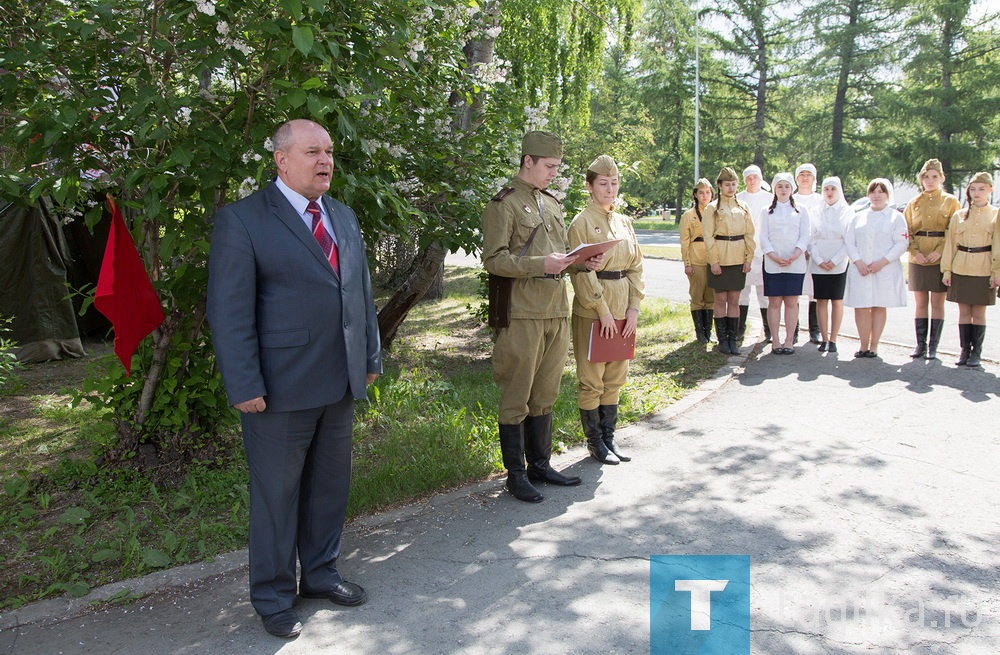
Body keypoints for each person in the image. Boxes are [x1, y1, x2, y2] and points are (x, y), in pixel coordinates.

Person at [207, 119, 382, 639]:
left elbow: (360, 294)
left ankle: (321, 574)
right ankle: (274, 596)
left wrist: (370, 355)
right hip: (279, 388)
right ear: (282, 160)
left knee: (329, 489)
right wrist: (243, 384)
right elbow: (229, 311)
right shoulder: (243, 220)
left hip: (340, 379)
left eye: (329, 151)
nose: (325, 160)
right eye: (313, 151)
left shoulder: (343, 216)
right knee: (277, 498)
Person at [481, 131, 602, 502]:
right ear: (528, 161)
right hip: (522, 313)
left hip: (555, 311)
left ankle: (540, 465)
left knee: (545, 392)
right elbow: (494, 260)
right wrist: (540, 264)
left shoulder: (552, 204)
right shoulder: (503, 204)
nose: (553, 173)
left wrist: (582, 264)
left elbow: (561, 256)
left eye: (557, 167)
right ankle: (515, 475)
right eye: (549, 166)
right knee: (517, 393)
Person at [568, 155, 645, 465]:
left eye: (614, 183)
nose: (610, 189)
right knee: (592, 378)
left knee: (615, 376)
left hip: (623, 309)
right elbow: (580, 271)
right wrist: (601, 310)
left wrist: (634, 309)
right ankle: (595, 442)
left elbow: (636, 266)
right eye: (603, 184)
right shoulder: (581, 222)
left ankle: (610, 437)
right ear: (589, 186)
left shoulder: (623, 222)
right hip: (594, 310)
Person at [903, 158, 961, 359]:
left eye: (934, 177)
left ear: (942, 178)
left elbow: (953, 231)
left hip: (939, 257)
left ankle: (933, 346)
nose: (930, 180)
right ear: (921, 179)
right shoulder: (914, 202)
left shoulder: (951, 201)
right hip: (917, 257)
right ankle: (920, 344)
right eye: (926, 177)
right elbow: (906, 230)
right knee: (920, 302)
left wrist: (941, 250)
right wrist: (915, 251)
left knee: (937, 302)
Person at [844, 179, 909, 358]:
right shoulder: (858, 216)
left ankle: (874, 345)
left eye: (881, 191)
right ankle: (863, 344)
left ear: (888, 195)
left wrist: (883, 262)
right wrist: (858, 262)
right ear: (868, 195)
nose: (877, 195)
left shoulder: (896, 217)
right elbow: (849, 241)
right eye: (873, 191)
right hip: (861, 269)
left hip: (884, 269)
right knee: (861, 306)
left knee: (879, 305)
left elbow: (902, 243)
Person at [940, 172, 999, 367]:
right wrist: (947, 270)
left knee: (979, 312)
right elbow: (950, 244)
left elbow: (998, 245)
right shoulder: (959, 215)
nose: (977, 193)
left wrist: (996, 272)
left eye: (981, 189)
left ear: (990, 190)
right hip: (961, 266)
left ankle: (977, 353)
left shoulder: (996, 215)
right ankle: (965, 350)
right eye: (973, 189)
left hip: (984, 267)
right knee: (964, 311)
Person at [703, 166, 756, 355]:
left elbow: (750, 234)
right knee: (720, 299)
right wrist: (714, 261)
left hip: (738, 257)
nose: (731, 188)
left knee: (735, 299)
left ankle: (733, 339)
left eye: (734, 184)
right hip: (720, 256)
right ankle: (722, 339)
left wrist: (748, 258)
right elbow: (708, 236)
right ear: (719, 186)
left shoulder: (743, 206)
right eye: (727, 184)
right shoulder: (712, 208)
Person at [759, 173, 810, 354]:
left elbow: (805, 235)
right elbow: (763, 236)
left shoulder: (801, 210)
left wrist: (796, 254)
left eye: (787, 186)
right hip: (773, 263)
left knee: (791, 302)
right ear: (774, 189)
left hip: (794, 263)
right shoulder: (766, 211)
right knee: (774, 302)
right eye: (780, 186)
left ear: (792, 189)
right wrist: (773, 256)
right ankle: (776, 340)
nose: (783, 190)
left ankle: (789, 340)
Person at [808, 176, 853, 353]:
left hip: (839, 261)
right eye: (826, 189)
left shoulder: (848, 211)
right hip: (819, 260)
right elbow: (810, 238)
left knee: (836, 300)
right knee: (821, 300)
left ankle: (833, 339)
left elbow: (849, 239)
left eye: (833, 189)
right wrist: (819, 259)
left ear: (839, 190)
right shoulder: (815, 211)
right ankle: (824, 338)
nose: (829, 193)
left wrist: (835, 260)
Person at [736, 165, 773, 341]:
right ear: (744, 180)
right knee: (742, 292)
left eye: (755, 177)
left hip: (765, 251)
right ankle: (739, 328)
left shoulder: (770, 198)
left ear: (760, 179)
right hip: (743, 251)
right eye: (749, 178)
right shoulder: (738, 199)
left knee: (765, 293)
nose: (752, 181)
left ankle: (769, 329)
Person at [680, 178, 716, 343]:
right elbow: (684, 241)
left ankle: (708, 331)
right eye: (701, 193)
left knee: (711, 296)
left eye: (707, 192)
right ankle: (700, 333)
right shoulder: (689, 215)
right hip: (696, 258)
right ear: (695, 194)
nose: (704, 196)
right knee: (697, 296)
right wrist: (687, 263)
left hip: (713, 258)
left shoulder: (717, 212)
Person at [793, 163, 823, 344]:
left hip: (816, 253)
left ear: (814, 178)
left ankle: (815, 329)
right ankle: (793, 329)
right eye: (801, 174)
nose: (805, 178)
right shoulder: (791, 198)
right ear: (796, 179)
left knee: (815, 292)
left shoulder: (821, 199)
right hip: (796, 252)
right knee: (794, 291)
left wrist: (813, 249)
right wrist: (799, 248)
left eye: (808, 175)